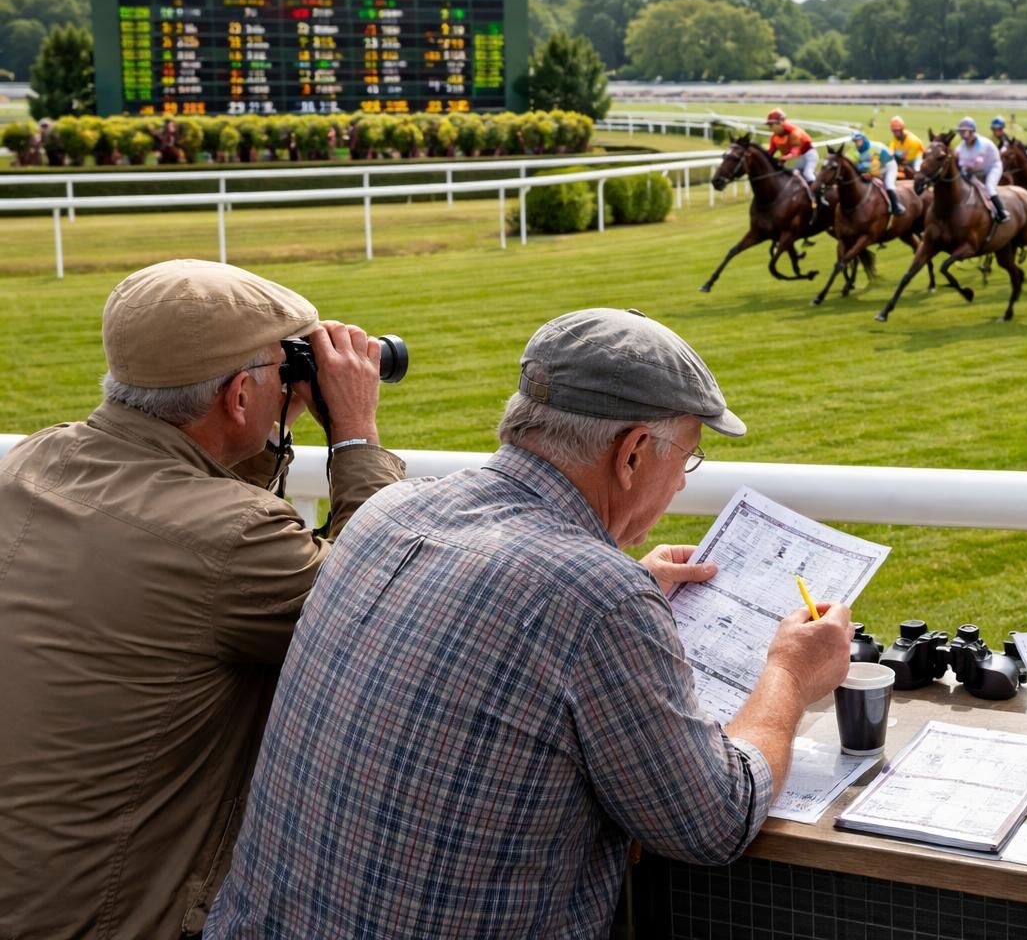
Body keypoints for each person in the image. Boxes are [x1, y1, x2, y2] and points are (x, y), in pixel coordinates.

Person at [204, 309, 856, 939]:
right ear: (632, 453)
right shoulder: (599, 597)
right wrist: (790, 674)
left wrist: (619, 589)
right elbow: (714, 821)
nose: (682, 484)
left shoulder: (390, 509)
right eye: (687, 458)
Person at [0, 259, 404, 939]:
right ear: (240, 395)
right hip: (109, 918)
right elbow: (383, 606)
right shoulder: (233, 540)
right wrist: (355, 434)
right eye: (282, 367)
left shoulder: (33, 462)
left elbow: (198, 520)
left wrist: (264, 420)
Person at [953, 116, 1008, 223]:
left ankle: (1002, 212)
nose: (962, 135)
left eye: (965, 132)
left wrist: (965, 168)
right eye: (961, 132)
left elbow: (978, 161)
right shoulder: (961, 146)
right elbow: (958, 159)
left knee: (989, 187)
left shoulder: (982, 144)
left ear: (972, 132)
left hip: (992, 167)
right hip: (976, 171)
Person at [849, 129, 904, 214]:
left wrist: (869, 174)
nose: (857, 143)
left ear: (863, 139)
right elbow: (856, 164)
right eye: (855, 141)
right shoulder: (857, 151)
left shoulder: (876, 147)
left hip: (888, 166)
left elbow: (876, 166)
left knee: (888, 184)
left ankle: (896, 206)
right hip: (876, 168)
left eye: (858, 140)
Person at [765, 107, 819, 186]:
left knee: (807, 174)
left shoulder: (794, 133)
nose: (770, 128)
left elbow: (794, 154)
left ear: (780, 123)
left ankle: (817, 191)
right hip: (796, 159)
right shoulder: (774, 137)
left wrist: (782, 158)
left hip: (808, 156)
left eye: (771, 125)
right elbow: (770, 153)